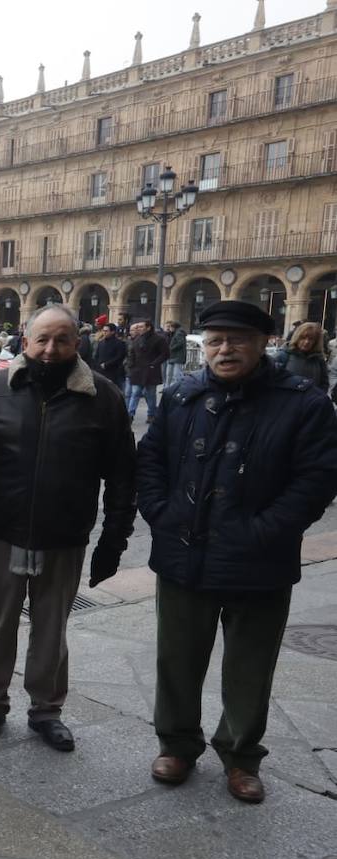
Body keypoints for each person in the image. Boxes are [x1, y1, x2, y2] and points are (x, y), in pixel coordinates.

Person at [138, 301, 337, 803]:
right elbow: (151, 461)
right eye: (215, 341)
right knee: (177, 660)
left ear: (263, 343)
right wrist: (161, 512)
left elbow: (317, 479)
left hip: (260, 560)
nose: (225, 350)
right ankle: (178, 745)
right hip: (184, 554)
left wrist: (264, 531)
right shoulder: (181, 396)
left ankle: (241, 755)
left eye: (237, 340)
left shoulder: (303, 403)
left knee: (250, 665)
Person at [0, 305, 136, 752]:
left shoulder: (103, 396)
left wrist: (113, 541)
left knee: (52, 625)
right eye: (41, 339)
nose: (50, 348)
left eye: (61, 339)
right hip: (3, 528)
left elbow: (122, 474)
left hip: (65, 533)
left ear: (77, 344)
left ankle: (46, 709)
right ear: (25, 342)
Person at [126, 318, 169, 422]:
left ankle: (151, 414)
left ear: (148, 327)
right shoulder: (137, 339)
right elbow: (132, 353)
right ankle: (130, 414)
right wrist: (130, 365)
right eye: (138, 327)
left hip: (151, 371)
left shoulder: (159, 339)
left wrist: (154, 364)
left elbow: (165, 354)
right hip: (137, 371)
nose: (139, 329)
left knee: (150, 394)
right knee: (135, 393)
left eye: (141, 327)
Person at [273, 321, 331, 391]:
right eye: (303, 338)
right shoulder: (282, 355)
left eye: (311, 339)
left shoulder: (319, 360)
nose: (307, 342)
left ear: (315, 341)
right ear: (297, 337)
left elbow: (324, 383)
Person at [95, 322, 128, 389]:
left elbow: (119, 357)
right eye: (103, 331)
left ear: (112, 332)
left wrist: (107, 364)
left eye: (106, 331)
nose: (104, 333)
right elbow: (97, 355)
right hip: (101, 371)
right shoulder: (101, 343)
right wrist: (97, 365)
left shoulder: (119, 343)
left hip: (114, 372)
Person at [164, 320, 187, 386]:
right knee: (170, 373)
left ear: (174, 327)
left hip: (177, 356)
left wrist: (171, 348)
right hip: (173, 356)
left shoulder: (179, 333)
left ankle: (177, 386)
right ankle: (167, 386)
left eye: (170, 327)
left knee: (176, 374)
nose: (169, 328)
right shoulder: (174, 333)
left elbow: (180, 343)